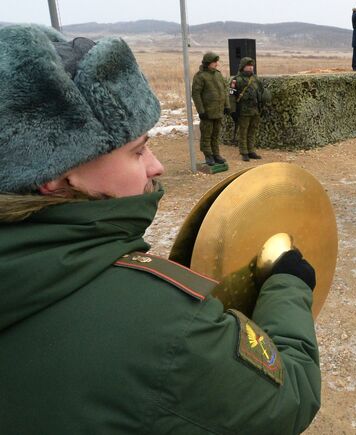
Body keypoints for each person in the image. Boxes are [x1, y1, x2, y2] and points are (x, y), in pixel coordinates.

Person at [0, 24, 321, 433]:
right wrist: (288, 285)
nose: (157, 166)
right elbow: (289, 398)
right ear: (57, 174)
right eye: (137, 152)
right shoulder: (167, 327)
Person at [192, 52, 230, 166]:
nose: (216, 64)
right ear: (208, 63)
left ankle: (216, 154)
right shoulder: (200, 76)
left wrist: (227, 106)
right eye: (214, 62)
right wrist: (201, 111)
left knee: (215, 134)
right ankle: (208, 155)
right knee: (206, 135)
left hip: (218, 111)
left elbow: (224, 91)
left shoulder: (218, 75)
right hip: (207, 112)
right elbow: (196, 94)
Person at [231, 57, 270, 161]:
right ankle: (244, 152)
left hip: (255, 110)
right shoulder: (236, 79)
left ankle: (251, 150)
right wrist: (233, 111)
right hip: (243, 111)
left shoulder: (256, 79)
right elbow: (231, 96)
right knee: (243, 132)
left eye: (252, 66)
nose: (251, 68)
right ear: (243, 67)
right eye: (248, 66)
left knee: (252, 131)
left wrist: (264, 107)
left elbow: (262, 92)